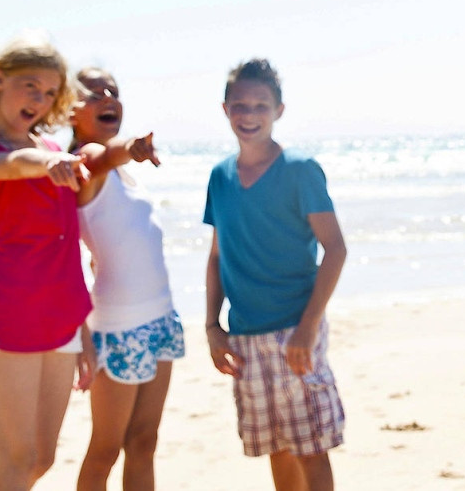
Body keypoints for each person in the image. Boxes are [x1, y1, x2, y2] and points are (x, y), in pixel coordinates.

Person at [203, 58, 349, 491]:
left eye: (261, 106)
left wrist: (308, 326)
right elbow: (216, 257)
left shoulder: (300, 170)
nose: (249, 115)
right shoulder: (219, 176)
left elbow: (336, 248)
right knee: (277, 447)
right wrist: (213, 325)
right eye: (240, 106)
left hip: (294, 330)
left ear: (279, 111)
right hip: (244, 334)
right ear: (225, 109)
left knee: (310, 447)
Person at [0, 36, 95, 490]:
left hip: (62, 316)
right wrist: (46, 162)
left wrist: (83, 327)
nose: (39, 100)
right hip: (12, 313)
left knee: (41, 457)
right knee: (16, 460)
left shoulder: (56, 150)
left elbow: (68, 244)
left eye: (49, 92)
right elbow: (15, 163)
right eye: (29, 85)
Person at [68, 67, 185, 491]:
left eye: (113, 91)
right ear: (70, 111)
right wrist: (132, 147)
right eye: (93, 93)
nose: (107, 97)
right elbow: (106, 154)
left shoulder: (124, 176)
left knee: (144, 442)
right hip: (119, 328)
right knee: (105, 449)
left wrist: (127, 156)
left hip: (159, 319)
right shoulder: (85, 165)